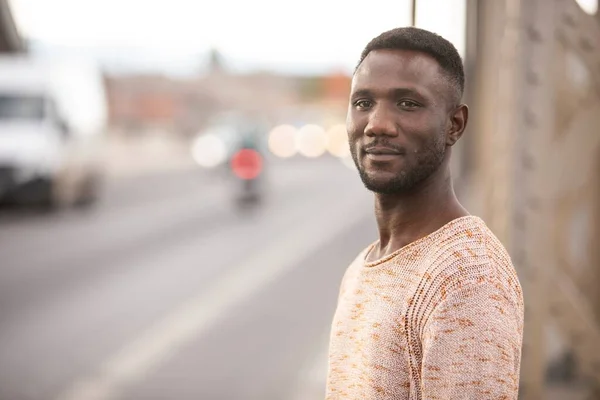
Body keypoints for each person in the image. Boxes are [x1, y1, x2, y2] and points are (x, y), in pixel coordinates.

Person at [326, 27, 524, 399]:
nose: (377, 125)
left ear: (455, 125)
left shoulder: (467, 276)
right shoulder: (362, 267)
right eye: (363, 102)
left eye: (408, 103)